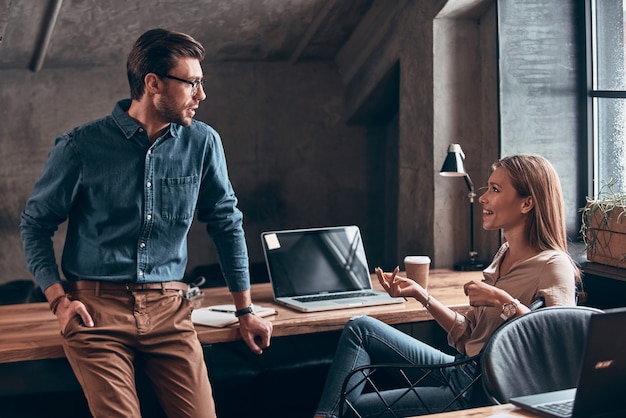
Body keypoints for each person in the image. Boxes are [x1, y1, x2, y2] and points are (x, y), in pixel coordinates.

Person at [19, 28, 273, 418]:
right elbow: (35, 224)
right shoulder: (80, 147)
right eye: (192, 83)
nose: (201, 95)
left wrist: (245, 310)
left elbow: (226, 222)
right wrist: (58, 302)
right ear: (153, 83)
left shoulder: (203, 143)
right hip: (96, 312)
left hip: (171, 308)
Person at [313, 154, 579, 418]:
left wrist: (503, 301)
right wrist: (421, 294)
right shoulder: (504, 253)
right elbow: (467, 334)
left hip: (480, 389)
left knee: (346, 408)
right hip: (460, 369)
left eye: (495, 190)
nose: (484, 198)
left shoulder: (554, 265)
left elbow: (557, 342)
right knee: (361, 328)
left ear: (527, 203)